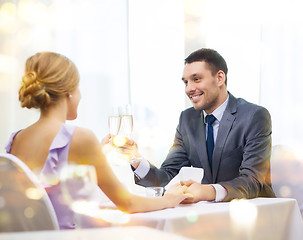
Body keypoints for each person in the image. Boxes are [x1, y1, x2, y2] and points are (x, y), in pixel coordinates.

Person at [5, 52, 191, 229]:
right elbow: (128, 202)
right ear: (69, 92)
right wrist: (168, 200)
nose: (80, 95)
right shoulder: (79, 137)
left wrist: (98, 153)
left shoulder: (16, 139)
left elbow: (48, 188)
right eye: (78, 88)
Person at [123, 48, 276, 203]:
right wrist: (135, 159)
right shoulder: (187, 119)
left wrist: (207, 191)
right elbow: (168, 177)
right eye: (186, 82)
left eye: (196, 79)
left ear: (219, 78)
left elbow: (252, 181)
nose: (189, 88)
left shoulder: (254, 116)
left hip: (255, 214)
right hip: (208, 216)